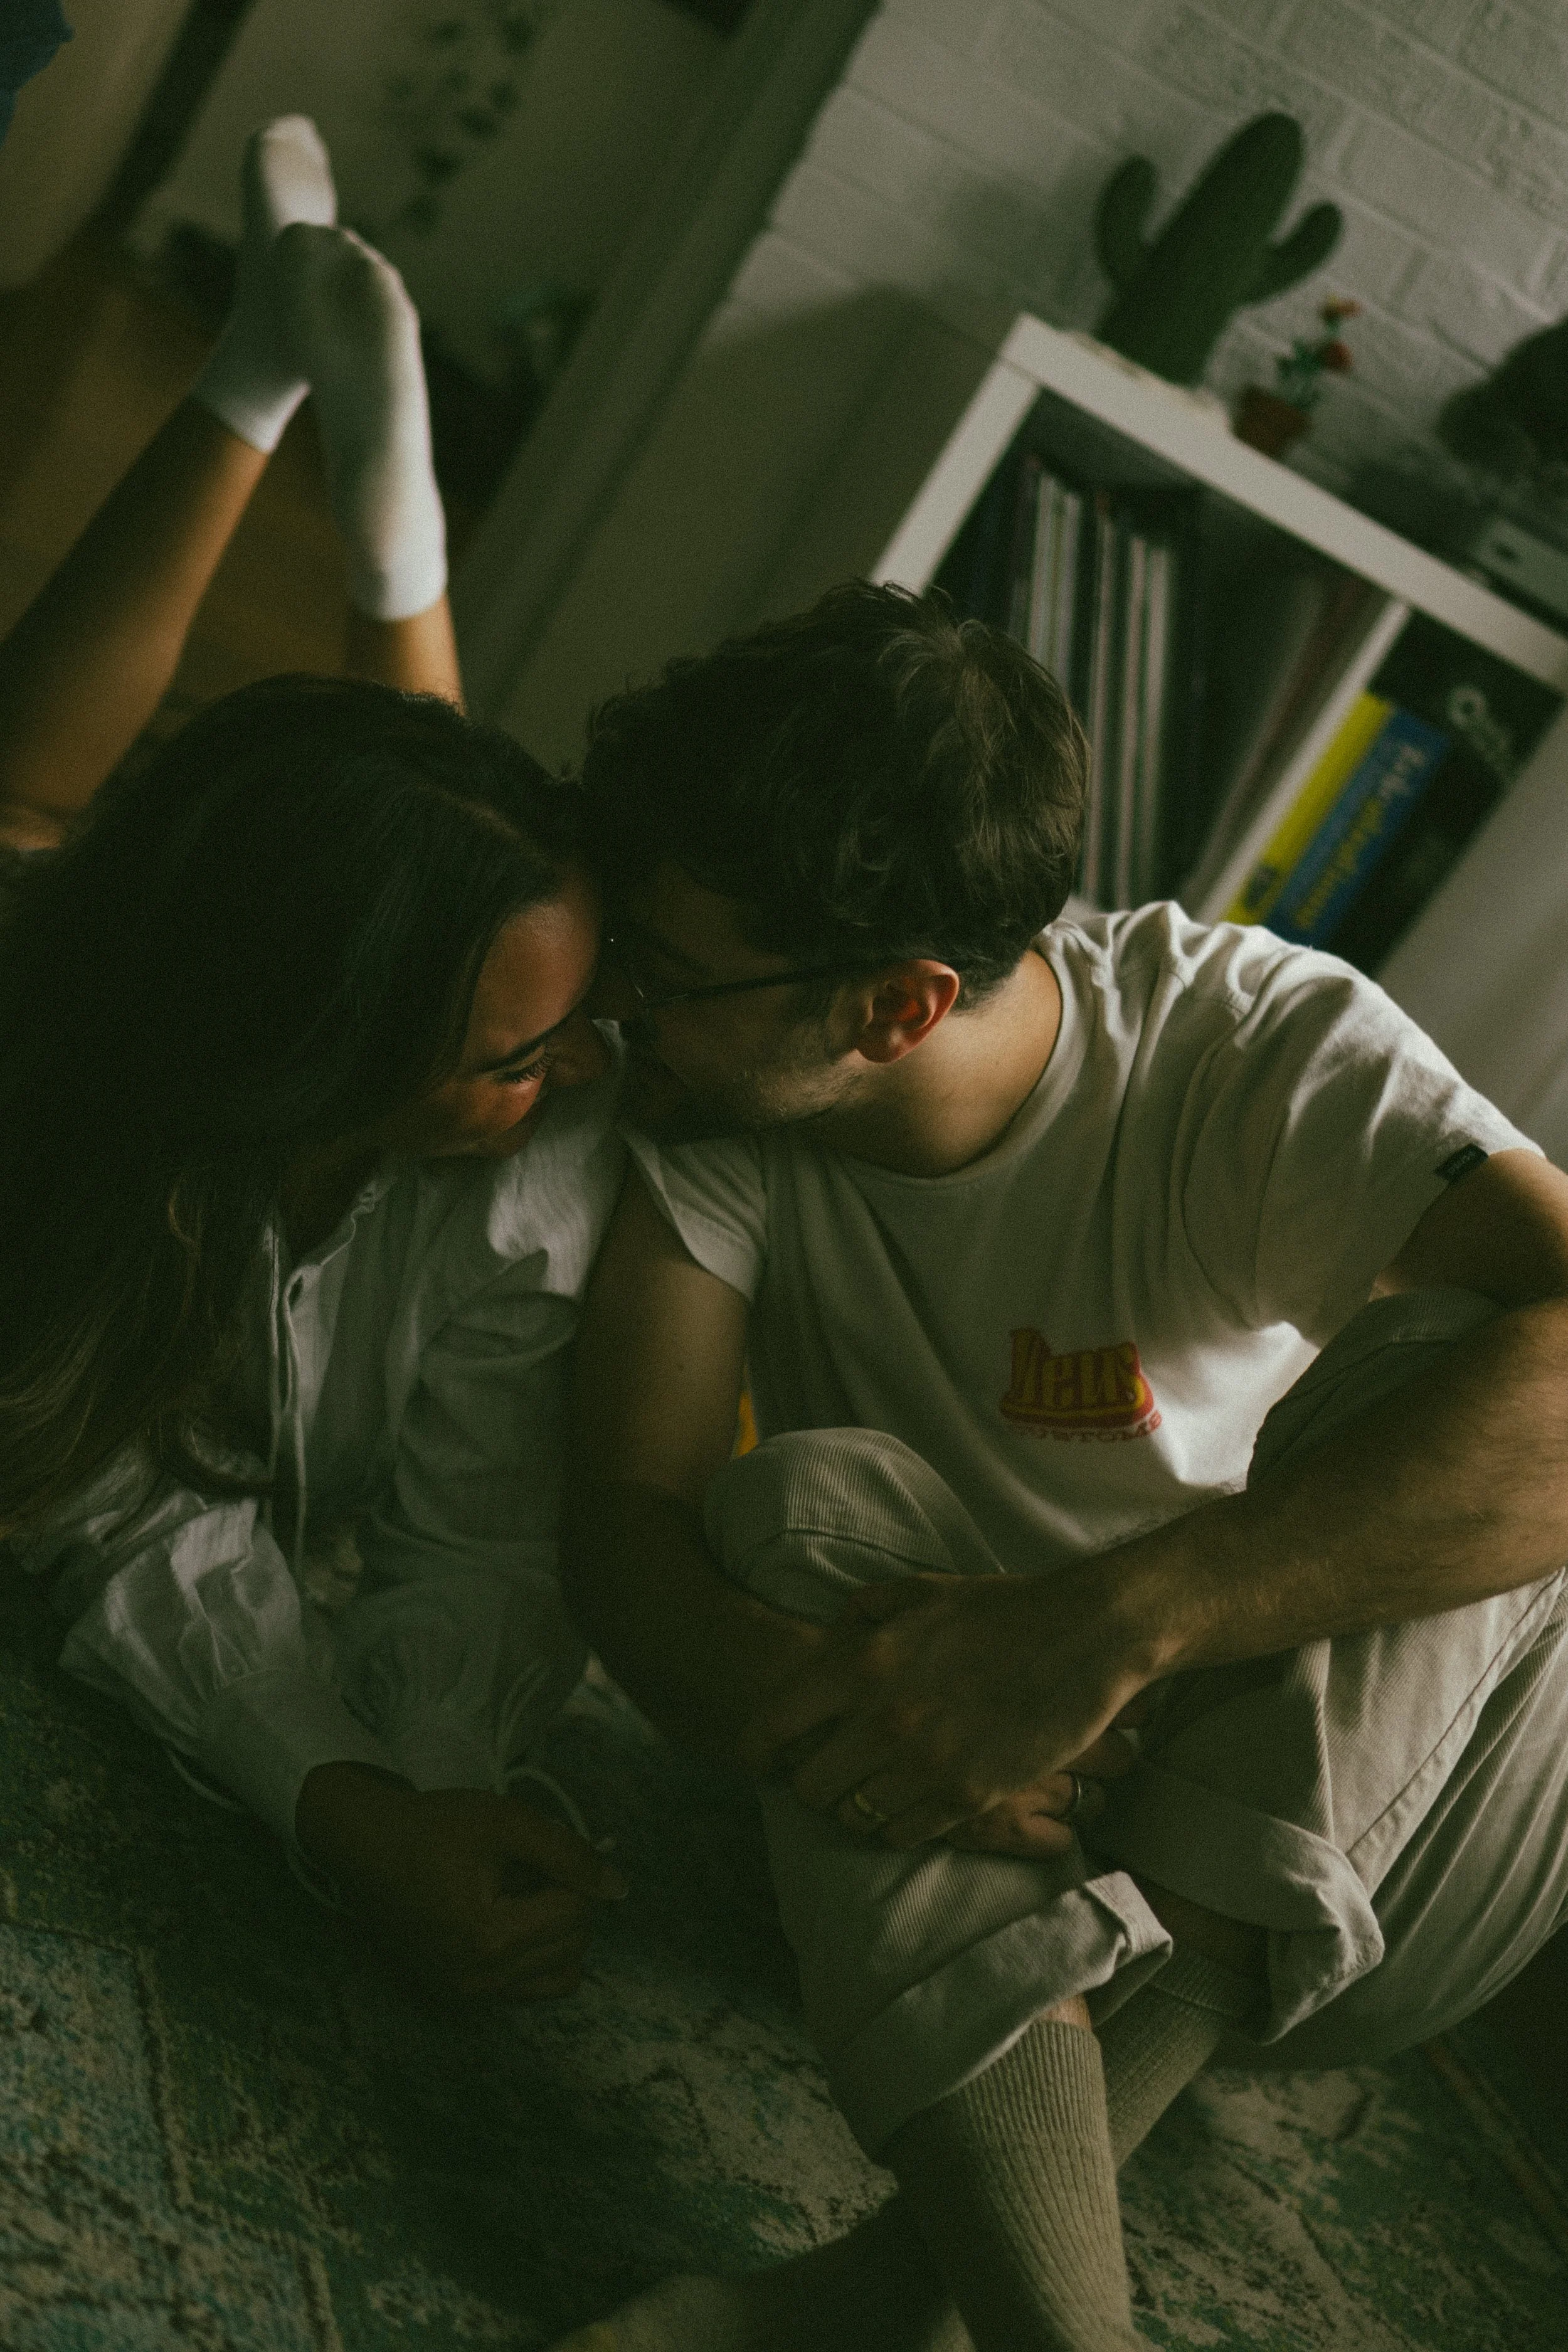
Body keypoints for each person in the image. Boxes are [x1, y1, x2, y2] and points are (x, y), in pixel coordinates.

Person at [554, 581, 1568, 2351]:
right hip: (974, 1829)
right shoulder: (716, 1122)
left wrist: (1104, 1633)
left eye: (667, 975)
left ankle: (889, 2292)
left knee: (1484, 1350)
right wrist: (857, 1705)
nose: (613, 1006)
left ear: (890, 1004)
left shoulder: (1241, 1039)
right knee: (788, 1503)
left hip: (1368, 1850)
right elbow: (628, 1527)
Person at [0, 118, 627, 2004]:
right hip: (91, 1012)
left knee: (429, 847)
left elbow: (488, 1534)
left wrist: (424, 1780)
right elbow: (98, 1509)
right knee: (27, 829)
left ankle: (335, 432)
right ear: (313, 1084)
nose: (601, 1068)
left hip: (296, 1005)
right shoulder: (99, 1190)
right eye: (530, 1054)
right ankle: (282, 384)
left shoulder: (519, 1154)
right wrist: (359, 1803)